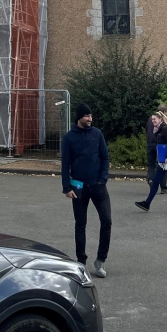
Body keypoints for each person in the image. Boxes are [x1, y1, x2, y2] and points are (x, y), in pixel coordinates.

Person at [61, 102, 112, 276]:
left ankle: (100, 260)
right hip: (78, 188)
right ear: (79, 118)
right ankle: (81, 261)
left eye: (91, 116)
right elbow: (65, 164)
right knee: (80, 225)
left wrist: (102, 180)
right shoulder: (69, 138)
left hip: (98, 187)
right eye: (86, 116)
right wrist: (66, 187)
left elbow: (105, 158)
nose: (90, 119)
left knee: (107, 221)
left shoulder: (97, 134)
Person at [146, 102, 167, 194]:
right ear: (164, 111)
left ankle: (150, 179)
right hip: (160, 145)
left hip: (150, 144)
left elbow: (147, 130)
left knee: (151, 164)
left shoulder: (150, 119)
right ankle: (163, 187)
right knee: (162, 165)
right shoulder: (163, 120)